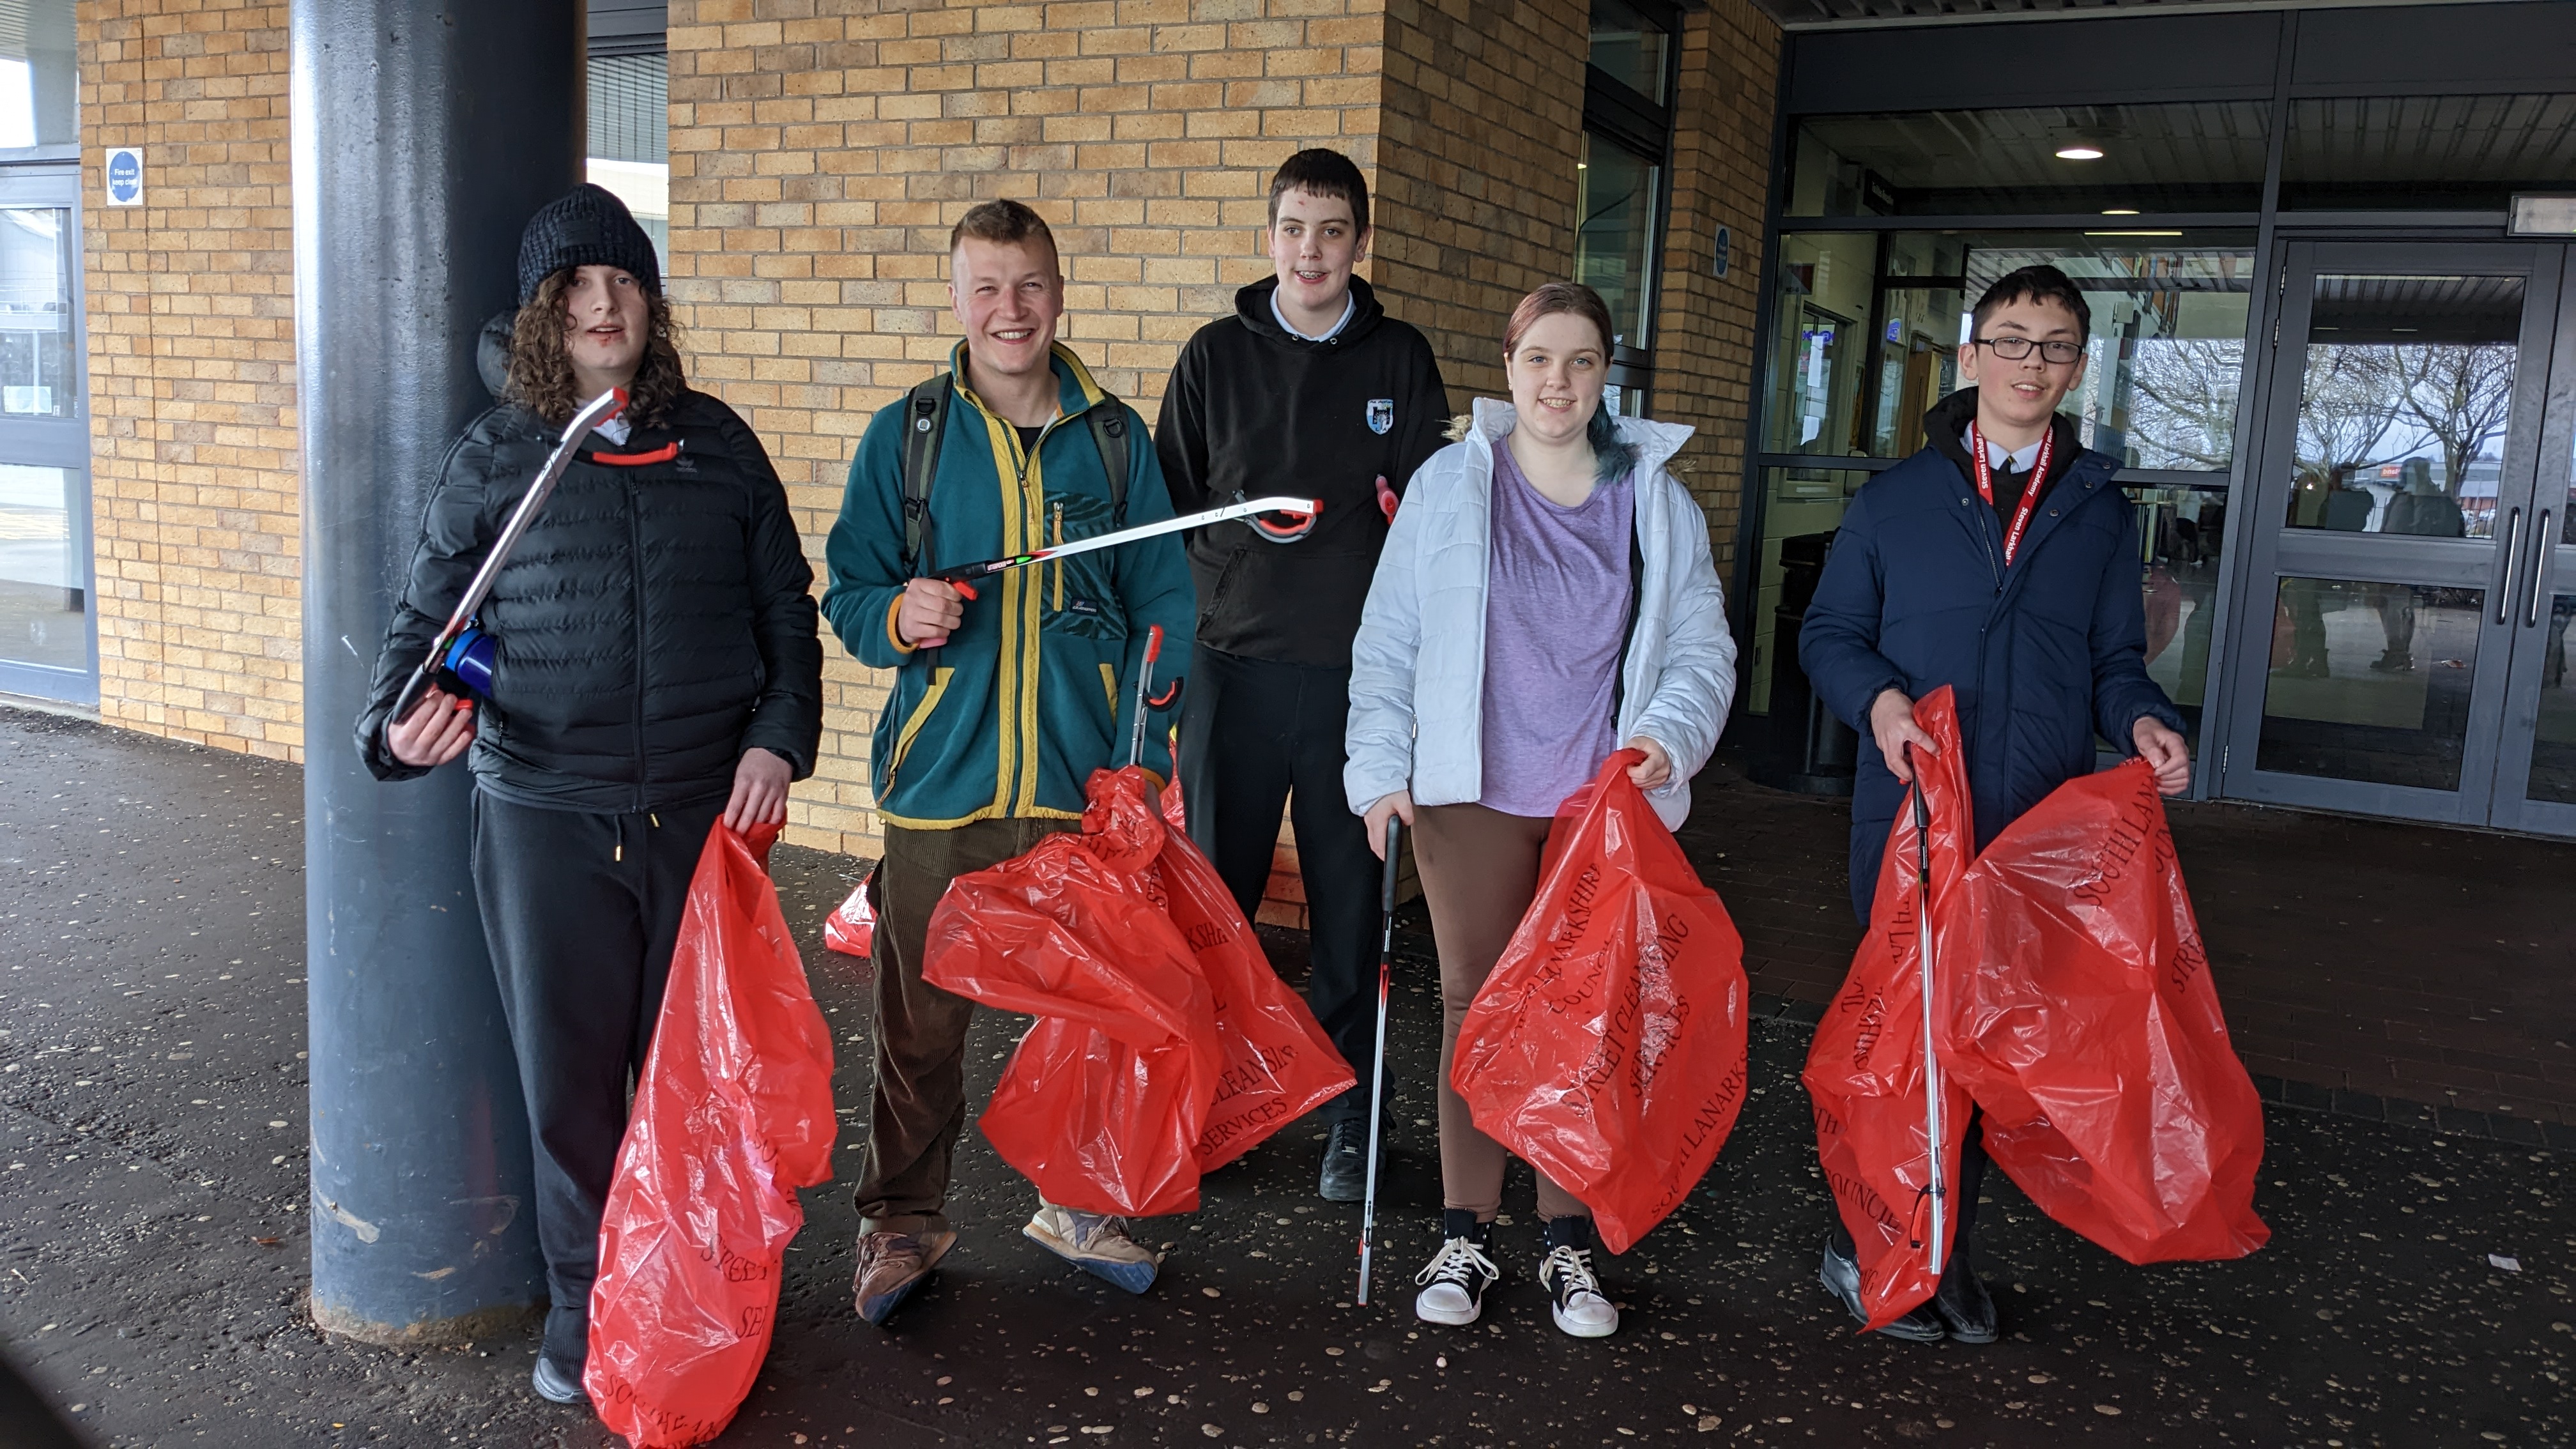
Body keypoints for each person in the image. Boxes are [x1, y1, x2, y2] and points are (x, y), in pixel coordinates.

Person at [356, 182, 824, 1406]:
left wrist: (779, 740)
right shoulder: (499, 452)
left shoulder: (718, 442)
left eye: (622, 282)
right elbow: (421, 629)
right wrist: (393, 735)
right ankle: (585, 1311)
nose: (603, 304)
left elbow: (787, 612)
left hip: (700, 815)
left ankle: (705, 1298)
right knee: (570, 1094)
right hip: (543, 822)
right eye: (577, 288)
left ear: (649, 304)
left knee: (700, 1080)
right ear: (541, 316)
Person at [819, 199, 1197, 1328]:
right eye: (986, 286)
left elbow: (1162, 609)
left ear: (1060, 293)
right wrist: (902, 613)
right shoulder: (910, 435)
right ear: (956, 299)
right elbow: (848, 590)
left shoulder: (1119, 440)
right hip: (941, 786)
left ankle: (1077, 1205)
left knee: (1087, 1019)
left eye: (1028, 285)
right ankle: (902, 1220)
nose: (1009, 309)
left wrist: (1139, 762)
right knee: (918, 1024)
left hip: (1077, 792)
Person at [1798, 262, 2191, 1346]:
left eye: (2055, 346)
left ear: (2076, 368)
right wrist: (1878, 706)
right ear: (1970, 358)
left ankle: (1940, 1248)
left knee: (1993, 1050)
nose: (2032, 363)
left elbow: (2115, 659)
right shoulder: (1896, 499)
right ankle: (1873, 1243)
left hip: (2033, 835)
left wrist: (2145, 719)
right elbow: (1828, 634)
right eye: (2011, 341)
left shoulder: (2101, 514)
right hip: (1916, 822)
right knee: (1909, 1045)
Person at [1344, 282, 1736, 1341]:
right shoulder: (1449, 484)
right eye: (1538, 360)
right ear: (1507, 369)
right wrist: (1380, 769)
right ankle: (1465, 1233)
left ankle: (1567, 1244)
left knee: (1585, 1015)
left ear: (1607, 373)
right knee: (1477, 1004)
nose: (1557, 381)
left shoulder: (1655, 498)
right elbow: (1389, 640)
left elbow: (1701, 647)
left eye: (1580, 361)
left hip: (1597, 804)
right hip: (1468, 794)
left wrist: (1667, 736)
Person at [1155, 148, 1452, 1202]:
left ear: (1359, 243)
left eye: (1333, 231)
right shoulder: (1212, 356)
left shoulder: (1401, 359)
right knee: (1217, 915)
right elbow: (1177, 501)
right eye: (1295, 228)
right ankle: (1217, 1108)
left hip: (1353, 683)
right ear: (1269, 236)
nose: (1312, 250)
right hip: (1230, 670)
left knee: (1347, 915)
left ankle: (1348, 1124)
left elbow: (1432, 515)